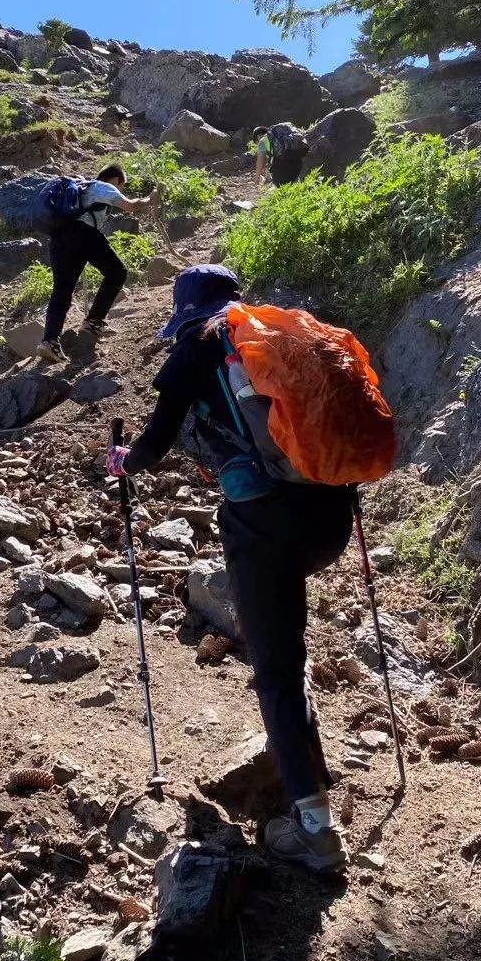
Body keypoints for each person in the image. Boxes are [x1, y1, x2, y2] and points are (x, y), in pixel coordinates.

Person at [106, 265, 354, 874]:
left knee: (277, 670)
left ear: (185, 311)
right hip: (330, 518)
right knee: (285, 652)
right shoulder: (281, 334)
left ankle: (316, 831)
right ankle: (306, 768)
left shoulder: (197, 345)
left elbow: (155, 443)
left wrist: (124, 462)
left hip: (265, 526)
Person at [37, 164, 155, 365]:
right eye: (122, 185)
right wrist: (151, 199)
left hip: (59, 237)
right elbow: (130, 206)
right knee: (117, 272)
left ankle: (49, 341)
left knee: (62, 289)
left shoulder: (83, 191)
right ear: (117, 180)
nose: (121, 189)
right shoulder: (102, 187)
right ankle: (93, 322)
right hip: (83, 234)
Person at [252, 123, 308, 188]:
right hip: (297, 159)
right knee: (293, 184)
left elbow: (261, 160)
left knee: (280, 187)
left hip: (282, 163)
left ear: (258, 137)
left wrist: (257, 176)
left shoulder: (263, 141)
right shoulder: (279, 137)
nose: (257, 145)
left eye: (256, 143)